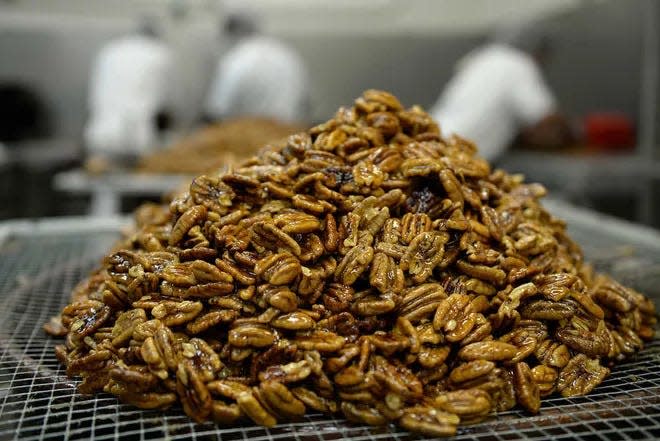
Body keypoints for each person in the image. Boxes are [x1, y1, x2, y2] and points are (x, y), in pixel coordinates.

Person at [429, 20, 574, 161]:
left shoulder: (483, 57)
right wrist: (574, 133)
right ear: (538, 52)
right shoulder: (519, 64)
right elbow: (547, 120)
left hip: (431, 140)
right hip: (461, 155)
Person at [84, 17, 173, 169]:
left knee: (105, 183)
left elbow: (96, 92)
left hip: (100, 133)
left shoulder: (109, 50)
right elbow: (169, 101)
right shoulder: (160, 53)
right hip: (139, 136)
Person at [204, 14, 311, 124]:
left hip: (251, 136)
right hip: (289, 134)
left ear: (231, 33)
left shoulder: (236, 59)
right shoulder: (286, 53)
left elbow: (216, 111)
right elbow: (306, 103)